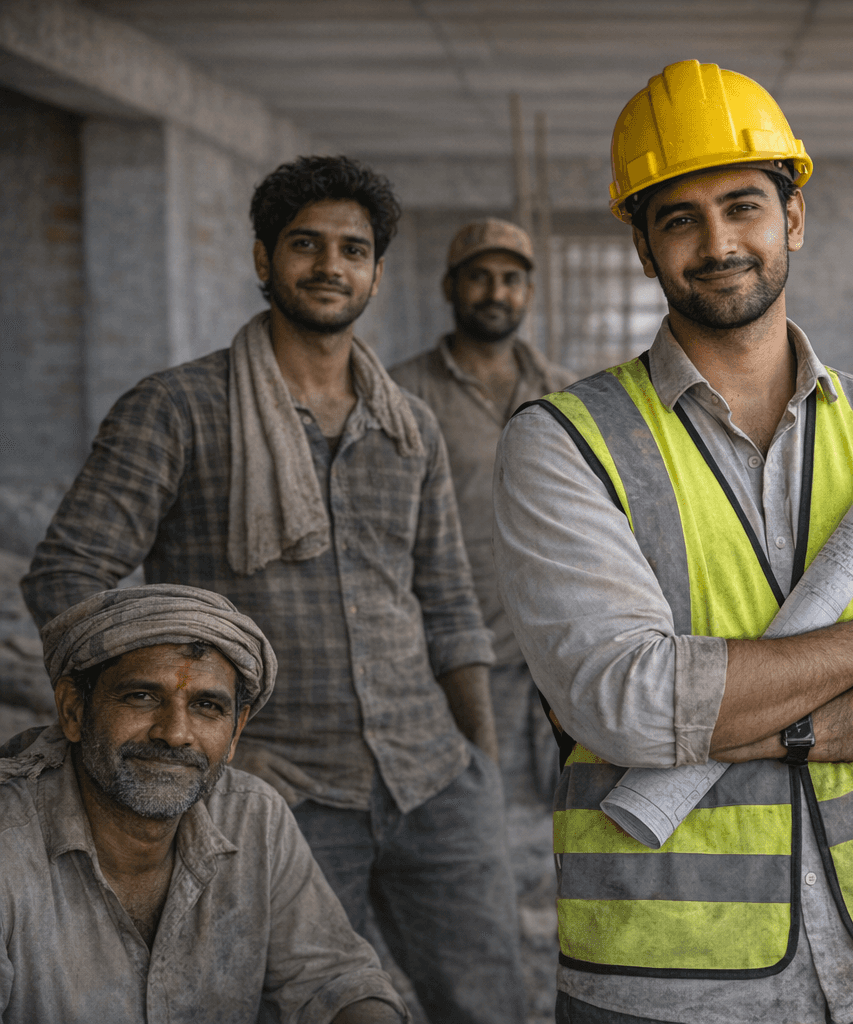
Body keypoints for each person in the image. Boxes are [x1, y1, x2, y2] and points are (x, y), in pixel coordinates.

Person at [493, 60, 853, 1024]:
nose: (718, 243)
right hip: (666, 972)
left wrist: (785, 731)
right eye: (680, 218)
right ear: (643, 244)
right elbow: (626, 702)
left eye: (743, 205)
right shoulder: (562, 442)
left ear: (792, 218)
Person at [21, 155, 523, 1024]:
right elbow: (68, 572)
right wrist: (207, 741)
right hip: (276, 788)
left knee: (491, 1006)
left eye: (353, 250)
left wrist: (479, 762)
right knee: (304, 1006)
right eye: (306, 245)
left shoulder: (410, 424)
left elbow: (449, 602)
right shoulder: (177, 409)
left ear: (375, 271)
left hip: (432, 780)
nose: (330, 266)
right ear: (264, 260)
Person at [0, 583, 407, 1023]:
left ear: (235, 732)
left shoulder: (254, 817)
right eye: (142, 696)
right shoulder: (10, 846)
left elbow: (334, 982)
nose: (175, 733)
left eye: (207, 706)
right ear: (73, 710)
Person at [391, 218, 577, 806]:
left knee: (569, 815)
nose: (496, 293)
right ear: (450, 288)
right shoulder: (400, 396)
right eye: (479, 278)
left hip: (558, 650)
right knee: (471, 811)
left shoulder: (567, 397)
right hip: (454, 656)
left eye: (511, 279)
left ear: (528, 292)